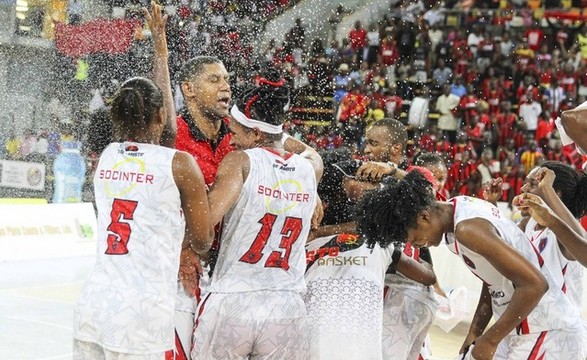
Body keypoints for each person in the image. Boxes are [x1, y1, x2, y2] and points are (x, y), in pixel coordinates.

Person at [72, 3, 212, 359]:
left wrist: (160, 51)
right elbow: (203, 239)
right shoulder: (180, 165)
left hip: (94, 306)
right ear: (162, 114)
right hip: (142, 315)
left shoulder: (107, 157)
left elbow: (160, 134)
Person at [356, 172, 585, 360]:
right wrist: (475, 332)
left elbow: (535, 285)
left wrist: (490, 340)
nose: (419, 244)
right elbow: (493, 278)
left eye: (415, 238)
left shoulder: (468, 229)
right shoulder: (457, 212)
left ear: (424, 217)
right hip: (523, 327)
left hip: (546, 330)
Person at [191, 70, 322, 359]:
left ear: (255, 133)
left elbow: (204, 226)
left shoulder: (239, 161)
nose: (231, 140)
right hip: (286, 307)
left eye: (236, 132)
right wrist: (277, 131)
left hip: (234, 300)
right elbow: (312, 154)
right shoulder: (310, 170)